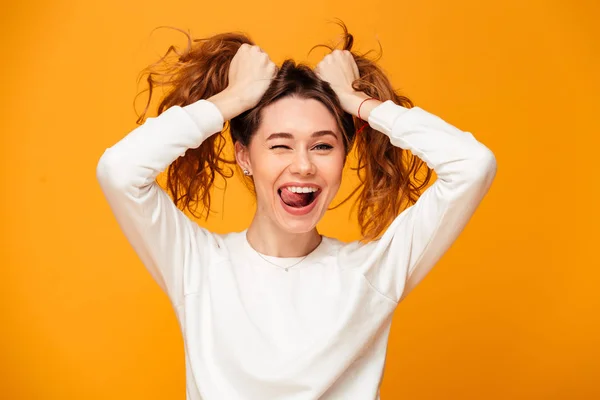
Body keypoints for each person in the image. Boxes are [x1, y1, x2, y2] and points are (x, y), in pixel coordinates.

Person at [96, 24, 497, 400]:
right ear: (245, 157)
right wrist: (232, 100)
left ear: (344, 155)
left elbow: (472, 164)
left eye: (322, 146)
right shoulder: (196, 264)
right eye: (280, 145)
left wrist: (359, 103)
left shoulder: (372, 273)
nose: (303, 165)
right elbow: (120, 171)